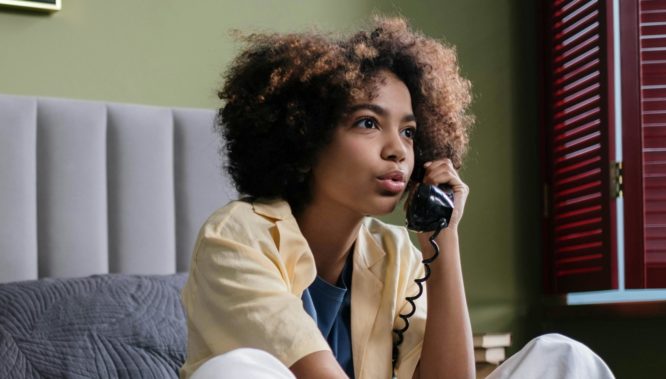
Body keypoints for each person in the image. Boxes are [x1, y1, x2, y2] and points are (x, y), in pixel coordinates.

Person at [179, 16, 615, 379]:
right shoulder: (235, 237)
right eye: (369, 123)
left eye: (408, 131)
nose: (398, 150)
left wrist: (442, 241)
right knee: (236, 371)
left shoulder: (396, 254)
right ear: (305, 139)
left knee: (562, 357)